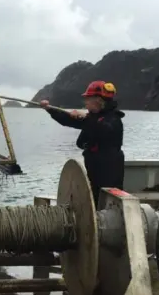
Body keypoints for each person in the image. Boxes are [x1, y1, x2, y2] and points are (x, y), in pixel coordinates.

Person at [40, 80, 125, 208]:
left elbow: (104, 129)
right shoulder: (94, 118)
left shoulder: (113, 119)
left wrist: (86, 118)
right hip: (94, 168)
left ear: (98, 100)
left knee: (106, 201)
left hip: (109, 171)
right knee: (94, 198)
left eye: (87, 99)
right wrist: (49, 109)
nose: (85, 102)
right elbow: (67, 120)